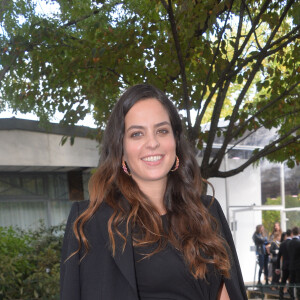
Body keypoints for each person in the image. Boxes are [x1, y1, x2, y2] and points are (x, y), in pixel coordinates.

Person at [60, 84, 247, 300]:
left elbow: (226, 292)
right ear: (121, 148)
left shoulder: (207, 212)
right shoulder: (89, 223)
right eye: (137, 134)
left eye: (162, 131)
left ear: (175, 140)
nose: (152, 143)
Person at [275, 229, 293, 300]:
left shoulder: (282, 244)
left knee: (283, 281)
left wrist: (277, 268)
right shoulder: (292, 243)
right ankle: (292, 296)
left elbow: (279, 257)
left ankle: (281, 296)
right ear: (291, 234)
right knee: (291, 281)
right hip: (292, 266)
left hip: (285, 265)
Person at [288, 227, 300, 300]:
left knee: (291, 283)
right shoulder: (299, 243)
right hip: (298, 266)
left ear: (292, 233)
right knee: (298, 283)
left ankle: (292, 297)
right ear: (298, 232)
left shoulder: (288, 243)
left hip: (291, 265)